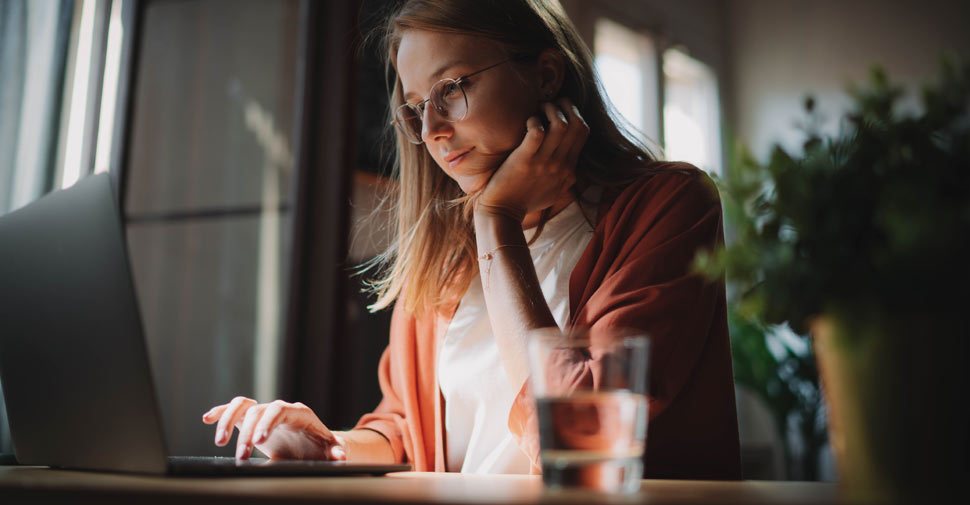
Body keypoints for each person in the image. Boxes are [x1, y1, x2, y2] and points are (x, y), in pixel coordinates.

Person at [202, 0, 741, 479]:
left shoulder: (669, 205)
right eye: (415, 108)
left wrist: (497, 220)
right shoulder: (443, 258)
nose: (432, 129)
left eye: (452, 89)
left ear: (546, 74)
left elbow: (583, 439)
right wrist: (330, 447)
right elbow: (406, 432)